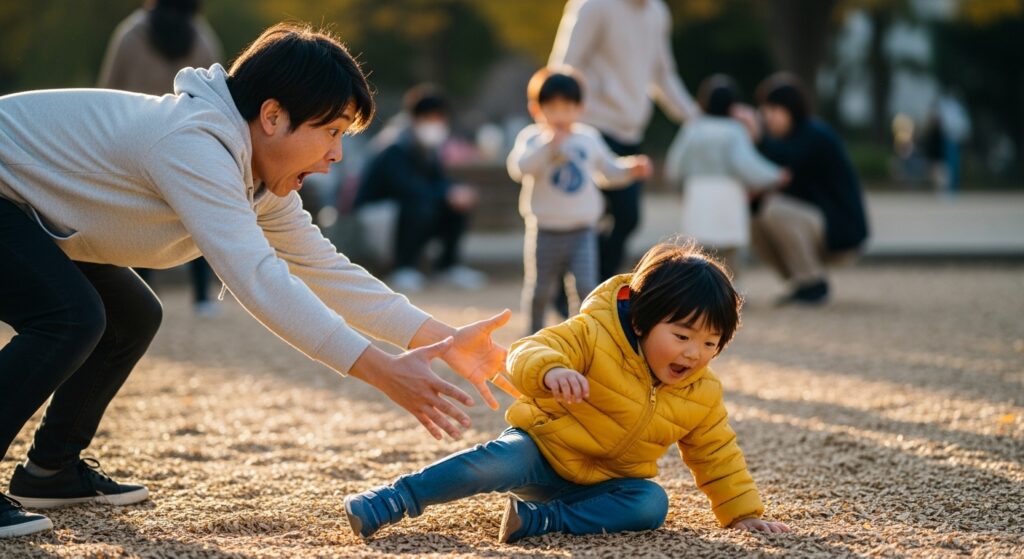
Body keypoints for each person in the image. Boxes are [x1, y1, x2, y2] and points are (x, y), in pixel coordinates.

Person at [0, 24, 517, 539]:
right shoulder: (193, 144)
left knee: (131, 317)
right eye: (331, 131)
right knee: (71, 317)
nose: (337, 154)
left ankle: (50, 470)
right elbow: (257, 278)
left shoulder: (257, 176)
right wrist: (381, 370)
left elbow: (327, 269)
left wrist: (445, 339)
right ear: (272, 116)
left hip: (30, 210)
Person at [343, 242, 791, 543]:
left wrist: (742, 513)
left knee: (650, 503)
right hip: (541, 451)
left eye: (711, 343)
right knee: (494, 462)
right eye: (682, 336)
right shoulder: (593, 333)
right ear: (641, 321)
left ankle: (538, 521)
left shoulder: (702, 393)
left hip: (603, 484)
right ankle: (396, 498)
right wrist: (552, 370)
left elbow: (717, 454)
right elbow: (528, 350)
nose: (695, 353)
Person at [549, 0, 700, 282]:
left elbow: (663, 75)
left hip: (630, 132)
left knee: (628, 217)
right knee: (584, 216)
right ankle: (568, 288)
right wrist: (558, 121)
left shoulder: (657, 12)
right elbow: (565, 66)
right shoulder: (592, 6)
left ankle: (594, 287)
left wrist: (696, 117)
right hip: (591, 129)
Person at [98, 0, 223, 317]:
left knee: (138, 218)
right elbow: (217, 93)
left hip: (135, 139)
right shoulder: (202, 37)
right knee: (196, 215)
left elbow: (108, 89)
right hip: (187, 139)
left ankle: (142, 294)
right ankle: (202, 297)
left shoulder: (130, 34)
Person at [507, 68, 651, 336]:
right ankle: (532, 336)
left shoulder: (588, 138)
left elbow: (608, 171)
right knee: (540, 289)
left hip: (582, 229)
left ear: (580, 108)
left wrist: (630, 168)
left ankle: (581, 337)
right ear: (536, 109)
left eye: (567, 108)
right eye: (552, 108)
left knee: (585, 287)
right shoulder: (532, 138)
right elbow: (520, 168)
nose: (560, 116)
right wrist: (548, 146)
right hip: (545, 229)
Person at [751, 73, 869, 305]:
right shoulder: (789, 138)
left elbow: (784, 160)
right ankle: (802, 281)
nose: (766, 117)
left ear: (790, 109)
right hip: (817, 225)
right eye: (764, 110)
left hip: (840, 231)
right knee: (754, 216)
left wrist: (757, 137)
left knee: (773, 209)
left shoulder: (814, 135)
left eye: (773, 109)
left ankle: (813, 283)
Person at [354, 85, 486, 293]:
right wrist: (447, 193)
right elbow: (407, 188)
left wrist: (457, 192)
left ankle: (448, 267)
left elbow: (438, 182)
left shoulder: (426, 149)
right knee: (421, 204)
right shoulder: (395, 146)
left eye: (440, 119)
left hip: (401, 214)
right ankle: (403, 268)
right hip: (376, 216)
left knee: (455, 204)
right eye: (431, 118)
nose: (436, 124)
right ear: (415, 118)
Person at [664, 75, 789, 278]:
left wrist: (679, 190)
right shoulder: (734, 131)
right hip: (728, 195)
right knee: (729, 254)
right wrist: (776, 175)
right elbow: (747, 165)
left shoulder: (693, 128)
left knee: (698, 253)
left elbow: (675, 166)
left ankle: (699, 291)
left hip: (698, 195)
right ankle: (729, 289)